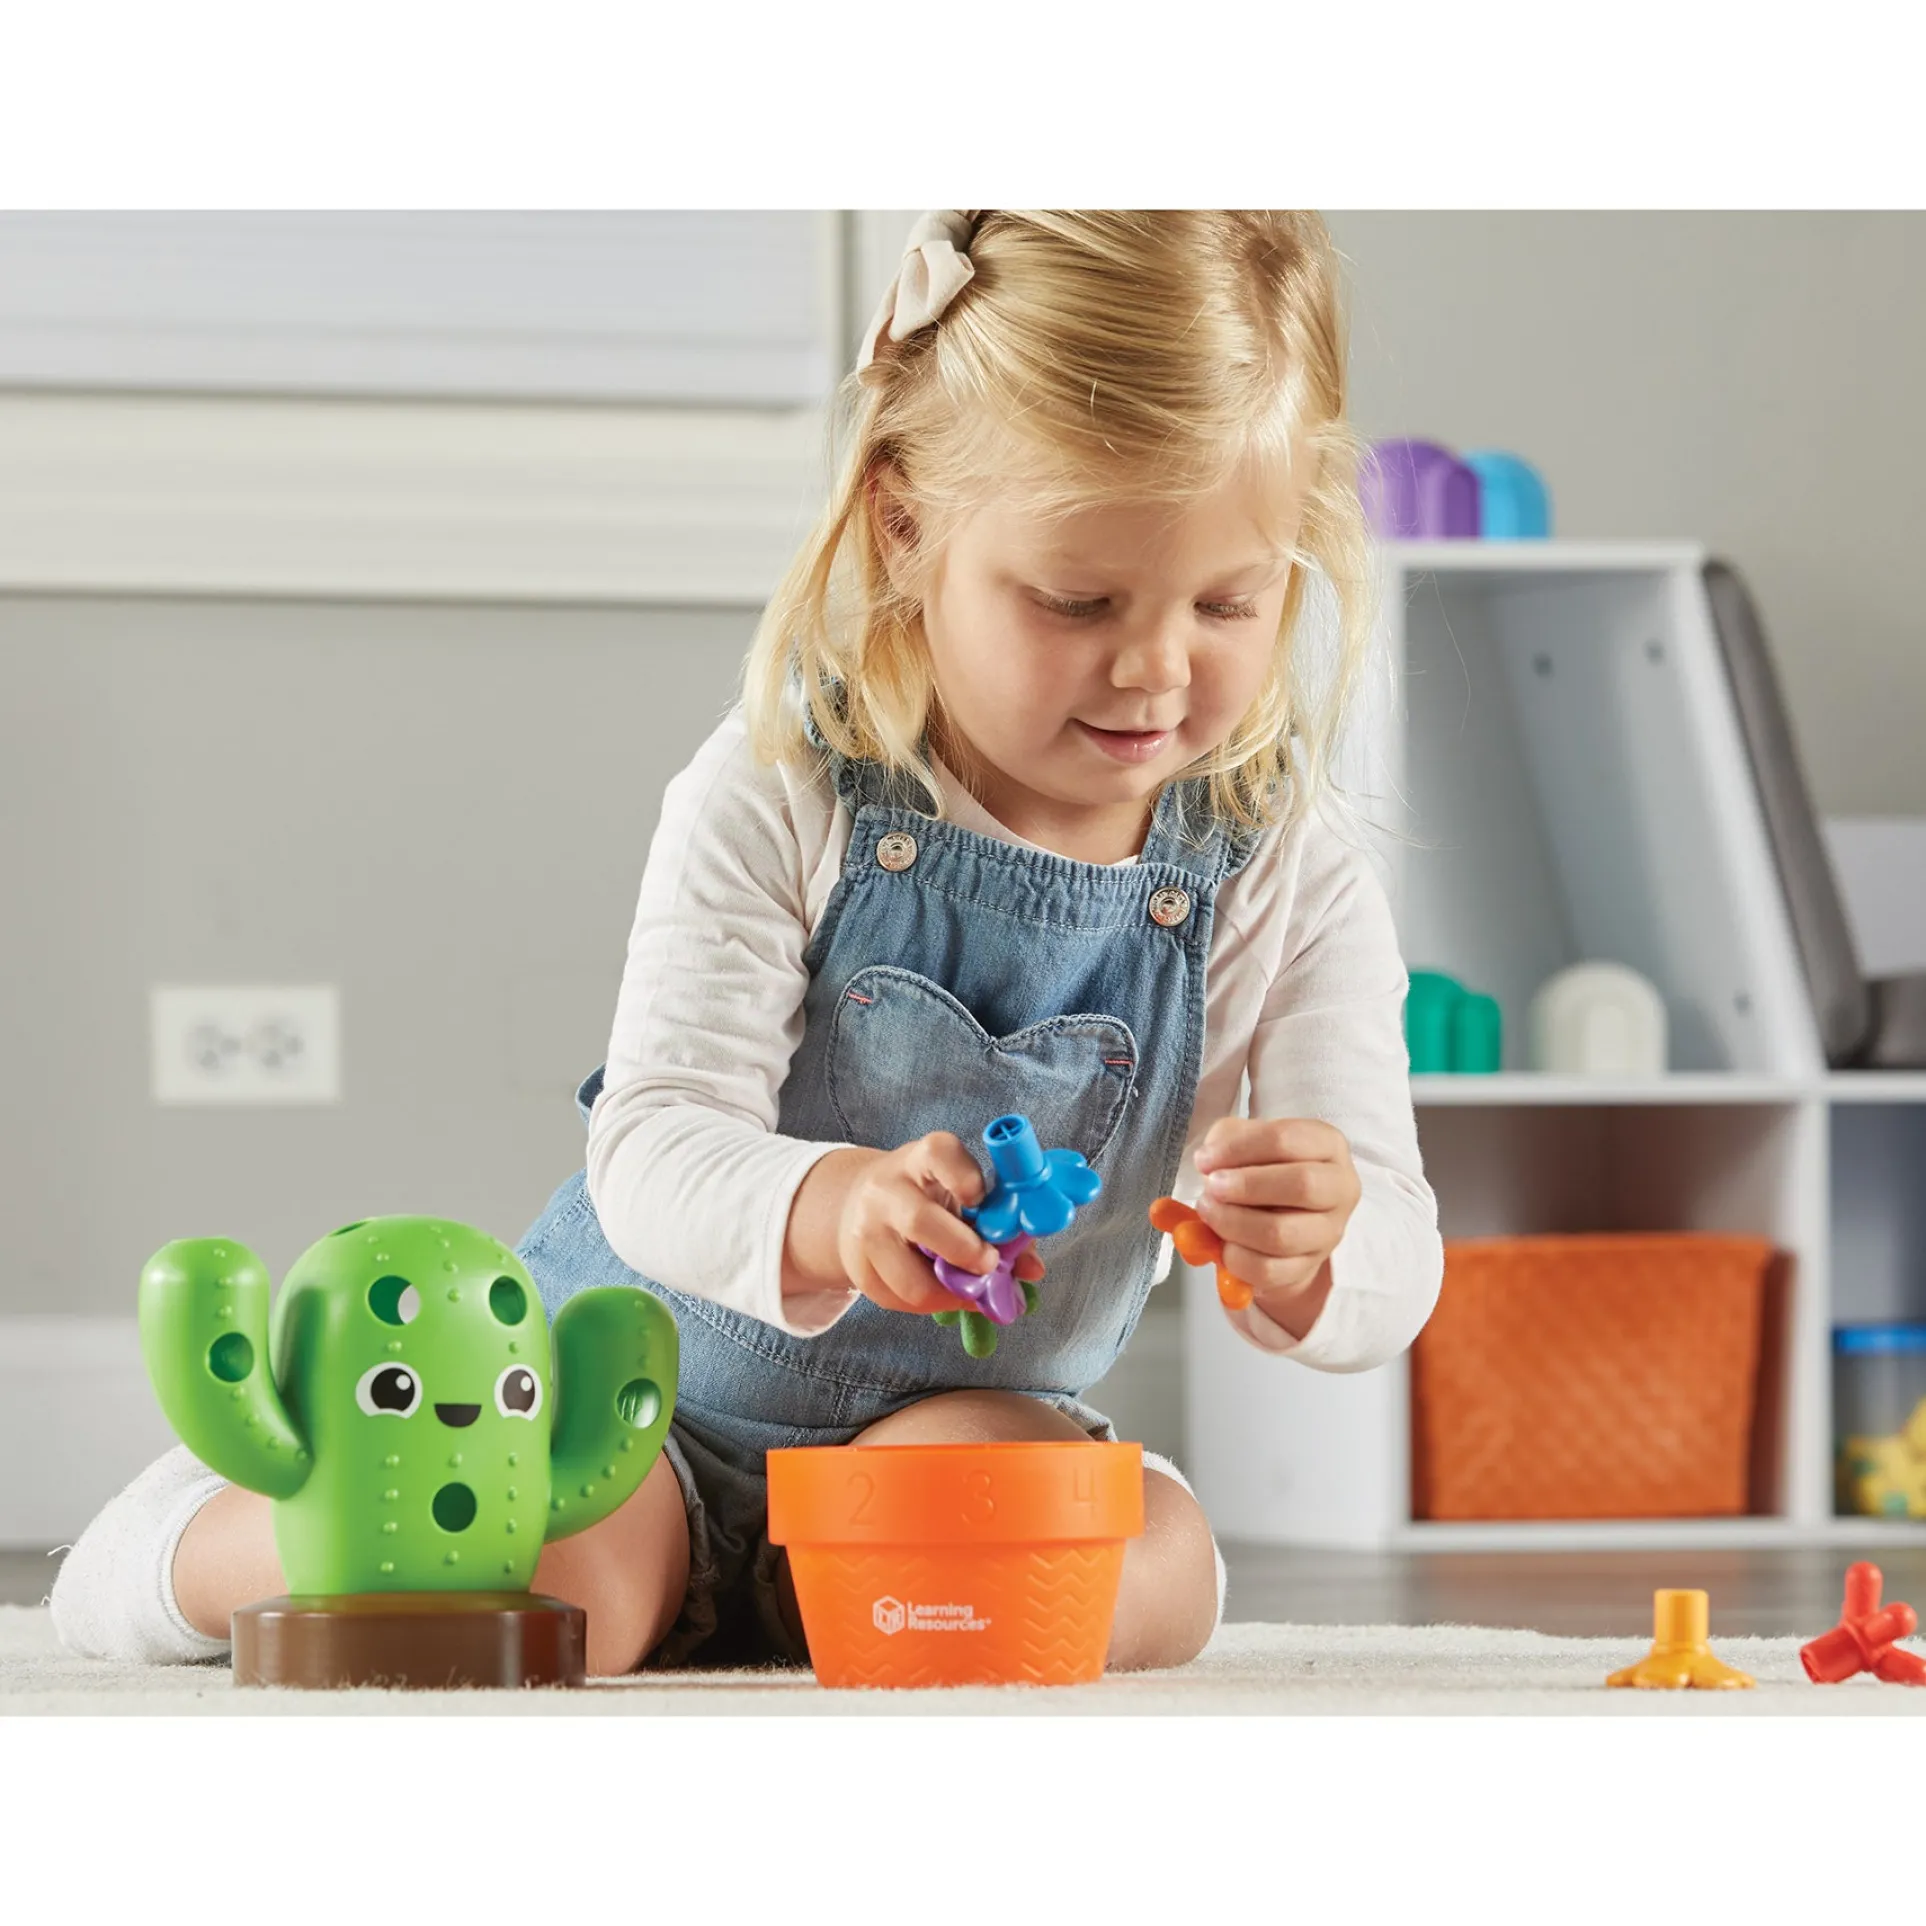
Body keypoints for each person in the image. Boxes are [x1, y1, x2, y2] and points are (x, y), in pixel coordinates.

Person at [51, 210, 1442, 1677]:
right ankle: (219, 1535)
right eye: (1075, 600)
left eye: (1228, 601)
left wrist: (1315, 1253)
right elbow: (651, 1141)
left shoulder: (1285, 872)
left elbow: (1396, 1240)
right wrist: (828, 1205)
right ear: (905, 524)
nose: (1157, 666)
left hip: (934, 1443)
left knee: (1151, 1568)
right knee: (526, 1577)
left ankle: (817, 1601)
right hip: (626, 1408)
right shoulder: (786, 786)